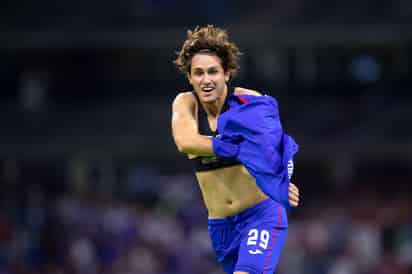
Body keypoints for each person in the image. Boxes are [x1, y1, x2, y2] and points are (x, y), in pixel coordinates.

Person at [171, 25, 300, 274]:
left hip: (260, 215)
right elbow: (185, 141)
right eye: (198, 73)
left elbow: (278, 149)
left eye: (213, 72)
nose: (206, 80)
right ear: (189, 77)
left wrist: (283, 178)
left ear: (227, 74)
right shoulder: (185, 103)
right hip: (221, 226)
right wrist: (236, 148)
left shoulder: (248, 102)